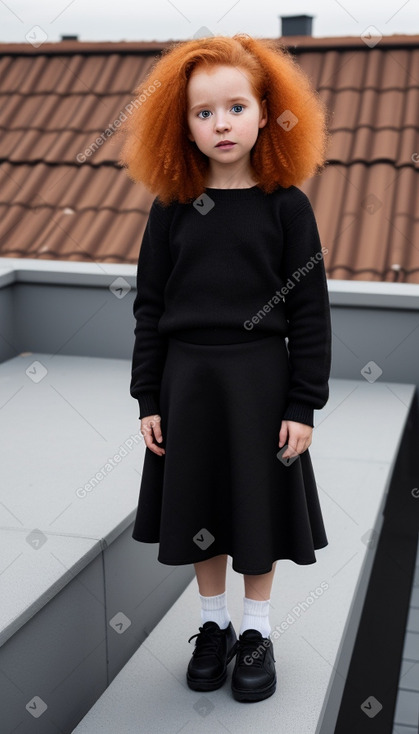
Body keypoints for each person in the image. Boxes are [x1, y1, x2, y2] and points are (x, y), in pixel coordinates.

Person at [117, 32, 332, 703]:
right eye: (202, 112)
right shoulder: (171, 210)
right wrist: (147, 396)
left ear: (265, 112)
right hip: (187, 386)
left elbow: (310, 313)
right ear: (181, 125)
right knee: (201, 508)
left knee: (256, 510)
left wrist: (303, 403)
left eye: (234, 107)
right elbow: (149, 309)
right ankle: (212, 628)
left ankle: (255, 633)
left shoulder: (286, 206)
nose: (220, 123)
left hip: (262, 386)